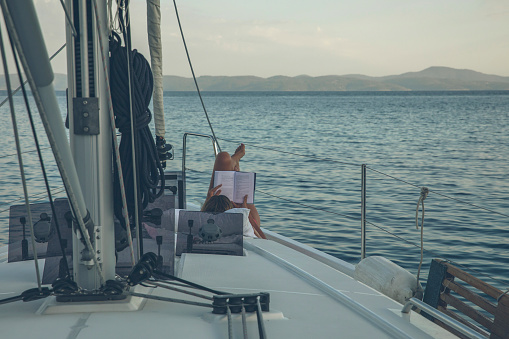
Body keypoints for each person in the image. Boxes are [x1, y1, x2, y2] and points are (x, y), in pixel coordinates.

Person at [202, 144, 266, 239]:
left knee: (223, 158)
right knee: (223, 158)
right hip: (249, 222)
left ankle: (235, 167)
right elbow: (264, 240)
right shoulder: (243, 226)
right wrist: (247, 216)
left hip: (218, 213)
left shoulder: (200, 228)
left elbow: (200, 217)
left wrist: (209, 200)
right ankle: (236, 167)